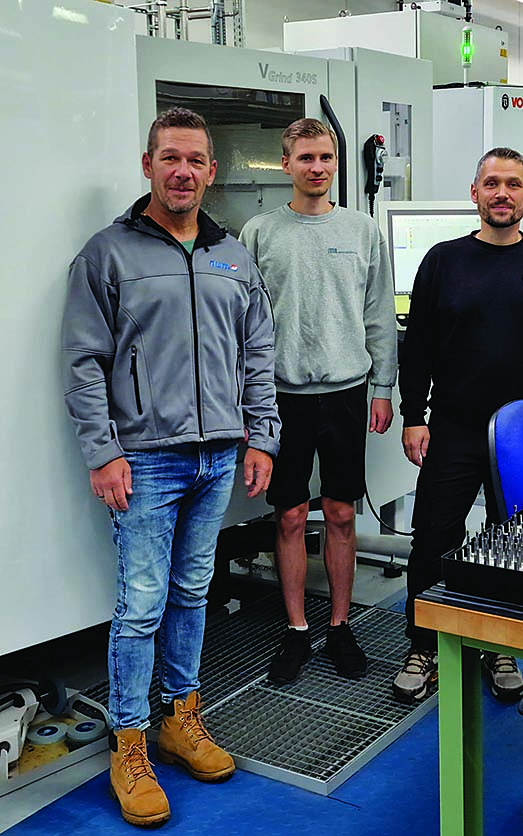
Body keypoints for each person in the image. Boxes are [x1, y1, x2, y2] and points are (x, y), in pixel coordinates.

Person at [62, 108, 280, 827]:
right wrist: (103, 450)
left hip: (219, 453)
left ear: (211, 172)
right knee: (141, 604)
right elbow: (84, 362)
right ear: (148, 165)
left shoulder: (233, 256)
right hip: (146, 461)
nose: (183, 171)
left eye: (196, 160)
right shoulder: (109, 253)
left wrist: (262, 437)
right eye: (171, 158)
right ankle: (130, 744)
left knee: (193, 592)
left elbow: (256, 354)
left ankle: (180, 718)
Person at [392, 147, 523, 704]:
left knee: (515, 542)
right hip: (453, 427)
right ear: (475, 194)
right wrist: (412, 416)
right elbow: (419, 346)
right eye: (492, 183)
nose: (503, 193)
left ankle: (498, 641)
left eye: (514, 184)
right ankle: (424, 646)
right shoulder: (443, 261)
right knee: (432, 538)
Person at [240, 118, 397, 684]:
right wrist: (250, 405)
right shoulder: (258, 233)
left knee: (339, 513)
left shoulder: (361, 231)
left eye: (326, 158)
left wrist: (383, 388)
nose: (317, 167)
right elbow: (244, 324)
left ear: (336, 164)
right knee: (286, 516)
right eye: (306, 157)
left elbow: (379, 314)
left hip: (347, 394)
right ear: (286, 165)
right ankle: (296, 629)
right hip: (282, 398)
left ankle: (338, 625)